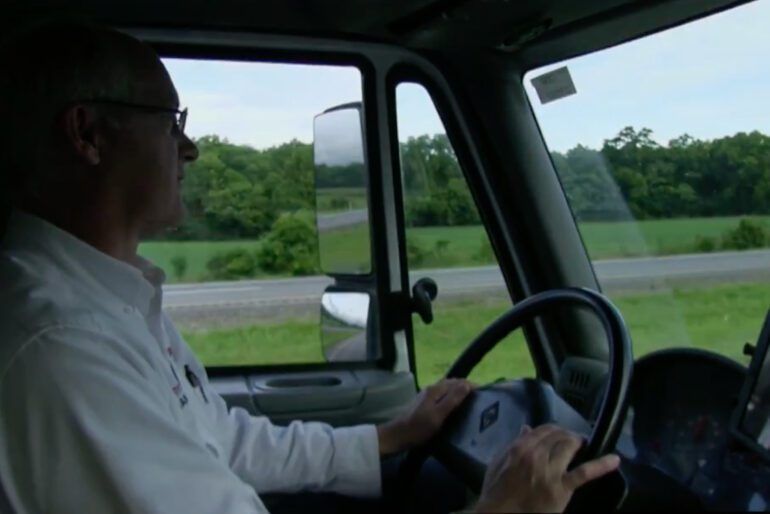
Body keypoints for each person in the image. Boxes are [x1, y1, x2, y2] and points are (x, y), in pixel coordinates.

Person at [0, 21, 620, 514]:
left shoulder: (106, 298)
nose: (187, 148)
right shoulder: (64, 345)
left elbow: (222, 440)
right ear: (88, 134)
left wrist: (390, 436)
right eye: (171, 123)